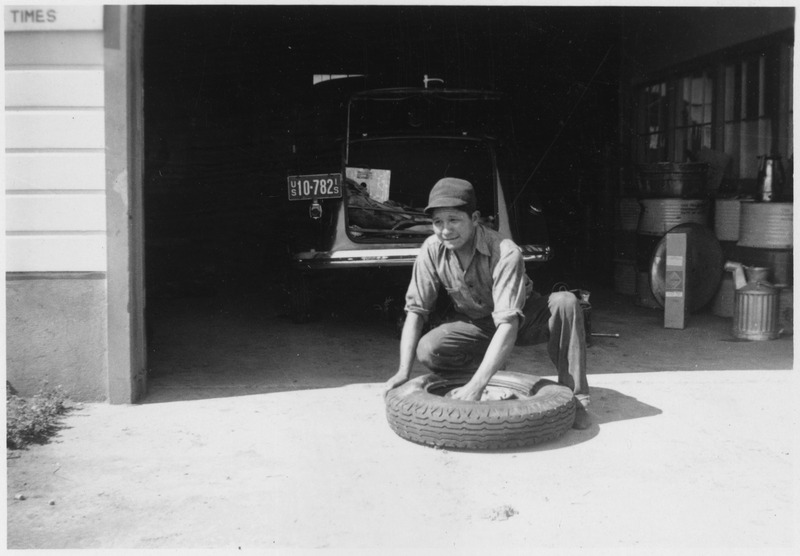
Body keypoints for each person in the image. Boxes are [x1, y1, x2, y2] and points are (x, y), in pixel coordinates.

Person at [383, 177, 591, 429]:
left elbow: (509, 323)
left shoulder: (505, 251)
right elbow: (416, 311)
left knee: (566, 302)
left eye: (454, 220)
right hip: (478, 323)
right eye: (437, 222)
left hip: (523, 319)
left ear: (475, 218)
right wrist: (403, 372)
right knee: (429, 347)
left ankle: (576, 397)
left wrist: (476, 388)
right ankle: (486, 376)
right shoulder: (431, 248)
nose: (445, 230)